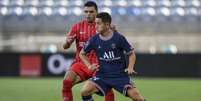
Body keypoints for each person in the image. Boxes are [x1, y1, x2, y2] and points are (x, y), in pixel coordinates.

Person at [80, 12, 146, 101]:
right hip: (102, 76)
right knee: (85, 91)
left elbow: (131, 53)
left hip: (120, 76)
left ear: (107, 25)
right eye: (95, 23)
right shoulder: (94, 40)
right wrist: (89, 66)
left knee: (137, 98)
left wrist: (130, 67)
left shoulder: (119, 38)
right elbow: (82, 54)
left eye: (98, 23)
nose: (96, 26)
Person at [62, 1, 114, 101]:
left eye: (91, 12)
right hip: (81, 63)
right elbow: (65, 46)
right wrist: (67, 43)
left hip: (99, 63)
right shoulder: (77, 27)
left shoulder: (105, 26)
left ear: (96, 12)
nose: (88, 14)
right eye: (86, 12)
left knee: (107, 88)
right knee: (66, 82)